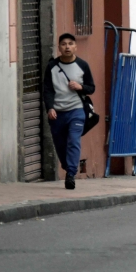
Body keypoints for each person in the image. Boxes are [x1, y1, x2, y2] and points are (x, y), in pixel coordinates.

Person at [42, 33, 96, 190]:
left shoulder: (83, 65)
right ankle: (67, 166)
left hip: (77, 110)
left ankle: (70, 174)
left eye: (70, 44)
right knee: (60, 144)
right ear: (59, 47)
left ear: (75, 47)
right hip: (57, 113)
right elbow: (48, 90)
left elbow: (91, 88)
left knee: (73, 140)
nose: (67, 47)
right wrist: (50, 108)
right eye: (64, 44)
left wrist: (81, 87)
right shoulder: (52, 67)